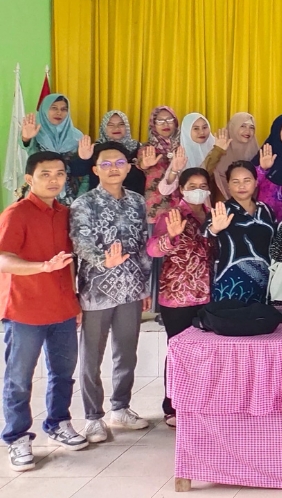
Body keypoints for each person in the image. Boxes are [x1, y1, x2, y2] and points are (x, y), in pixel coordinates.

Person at [0, 152, 88, 470]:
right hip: (23, 309)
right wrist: (42, 267)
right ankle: (16, 437)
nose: (54, 179)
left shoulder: (66, 212)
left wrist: (75, 302)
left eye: (60, 174)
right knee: (19, 379)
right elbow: (3, 259)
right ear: (29, 179)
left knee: (62, 374)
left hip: (63, 307)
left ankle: (58, 423)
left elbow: (69, 263)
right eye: (45, 173)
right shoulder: (16, 213)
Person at [69, 142, 153, 441]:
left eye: (119, 162)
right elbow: (80, 244)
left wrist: (144, 286)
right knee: (91, 356)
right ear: (95, 169)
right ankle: (93, 416)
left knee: (126, 353)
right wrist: (104, 260)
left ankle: (121, 407)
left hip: (131, 289)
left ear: (129, 167)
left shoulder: (137, 202)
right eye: (106, 164)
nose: (113, 168)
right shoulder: (84, 204)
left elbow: (144, 245)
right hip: (95, 292)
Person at [147, 166, 213, 428]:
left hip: (207, 294)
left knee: (203, 353)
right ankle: (172, 405)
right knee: (178, 351)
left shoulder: (211, 214)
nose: (198, 191)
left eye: (202, 185)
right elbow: (152, 249)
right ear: (182, 189)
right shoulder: (171, 214)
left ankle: (198, 402)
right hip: (177, 295)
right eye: (192, 186)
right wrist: (171, 236)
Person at [205, 161, 276, 302]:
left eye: (247, 180)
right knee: (230, 321)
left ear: (256, 182)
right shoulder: (221, 210)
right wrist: (215, 229)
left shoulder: (266, 210)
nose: (241, 186)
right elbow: (204, 235)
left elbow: (274, 242)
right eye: (235, 181)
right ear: (229, 185)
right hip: (231, 284)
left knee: (261, 321)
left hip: (265, 283)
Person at [20, 94, 84, 205]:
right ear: (44, 110)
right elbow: (29, 151)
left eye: (64, 109)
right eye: (54, 108)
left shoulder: (77, 136)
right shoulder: (36, 132)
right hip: (40, 193)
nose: (59, 113)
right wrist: (26, 138)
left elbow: (85, 172)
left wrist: (82, 197)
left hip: (72, 195)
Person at [70, 110, 145, 196]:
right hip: (100, 201)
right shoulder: (95, 149)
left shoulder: (138, 148)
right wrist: (83, 159)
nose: (116, 128)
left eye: (121, 124)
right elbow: (76, 172)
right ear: (104, 127)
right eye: (110, 125)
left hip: (133, 201)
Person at [140, 106, 181, 223]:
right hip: (156, 208)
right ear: (153, 124)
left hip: (181, 205)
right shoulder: (147, 148)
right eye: (160, 121)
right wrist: (145, 164)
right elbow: (140, 164)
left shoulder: (183, 146)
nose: (165, 124)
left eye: (169, 120)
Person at [213, 113, 259, 201]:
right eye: (243, 126)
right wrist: (217, 152)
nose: (248, 131)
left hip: (251, 206)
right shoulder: (219, 151)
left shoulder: (257, 152)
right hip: (221, 206)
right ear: (233, 127)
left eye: (251, 127)